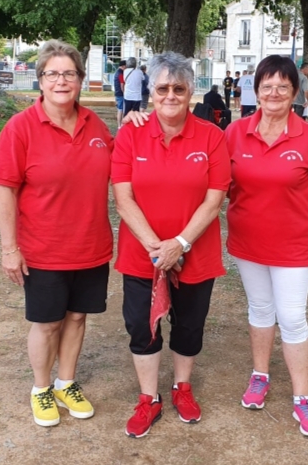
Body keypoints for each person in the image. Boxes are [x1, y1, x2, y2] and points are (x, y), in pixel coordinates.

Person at [0, 40, 146, 429]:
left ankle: (66, 382)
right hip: (43, 249)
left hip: (91, 246)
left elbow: (120, 164)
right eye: (53, 74)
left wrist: (133, 128)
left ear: (80, 80)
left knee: (77, 317)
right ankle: (41, 388)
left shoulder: (95, 125)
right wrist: (10, 249)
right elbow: (5, 190)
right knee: (47, 322)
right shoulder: (20, 128)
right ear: (40, 80)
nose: (62, 81)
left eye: (69, 73)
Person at [111, 51, 231, 438]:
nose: (170, 95)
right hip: (141, 253)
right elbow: (122, 197)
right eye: (162, 88)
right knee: (140, 327)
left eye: (179, 88)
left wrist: (179, 243)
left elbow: (215, 199)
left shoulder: (212, 136)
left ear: (191, 92)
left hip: (195, 251)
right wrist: (156, 247)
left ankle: (182, 387)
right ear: (150, 93)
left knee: (189, 324)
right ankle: (149, 398)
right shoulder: (130, 132)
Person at [224, 54, 308, 438]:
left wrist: (302, 214)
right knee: (260, 309)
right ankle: (260, 376)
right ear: (255, 90)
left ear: (295, 93)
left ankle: (302, 398)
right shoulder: (235, 132)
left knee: (291, 317)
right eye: (266, 85)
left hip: (293, 245)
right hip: (248, 241)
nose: (274, 92)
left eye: (283, 86)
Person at [114, 60, 127, 128]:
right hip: (121, 94)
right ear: (123, 66)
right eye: (126, 66)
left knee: (120, 109)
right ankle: (119, 125)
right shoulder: (121, 73)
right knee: (120, 110)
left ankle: (119, 125)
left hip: (117, 93)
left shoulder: (116, 72)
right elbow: (122, 85)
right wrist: (124, 93)